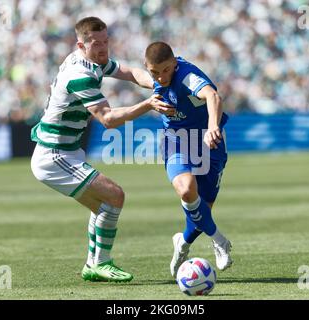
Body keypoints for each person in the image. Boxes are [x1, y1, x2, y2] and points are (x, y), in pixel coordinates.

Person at [30, 17, 174, 283]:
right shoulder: (80, 75)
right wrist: (148, 104)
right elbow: (107, 119)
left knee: (105, 206)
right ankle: (101, 263)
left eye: (106, 41)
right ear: (81, 45)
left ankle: (93, 265)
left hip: (67, 151)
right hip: (54, 155)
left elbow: (129, 72)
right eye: (96, 44)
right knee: (115, 195)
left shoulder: (91, 61)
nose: (103, 48)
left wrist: (158, 82)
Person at [144, 42, 233, 277]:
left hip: (208, 139)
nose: (161, 77)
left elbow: (213, 96)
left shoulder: (186, 77)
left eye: (165, 70)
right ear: (148, 68)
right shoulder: (153, 76)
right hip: (176, 139)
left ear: (174, 64)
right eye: (155, 72)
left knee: (203, 208)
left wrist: (213, 125)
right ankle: (219, 240)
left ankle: (182, 243)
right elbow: (132, 74)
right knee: (186, 190)